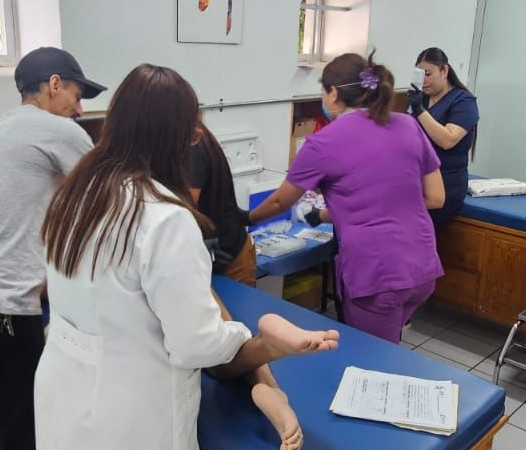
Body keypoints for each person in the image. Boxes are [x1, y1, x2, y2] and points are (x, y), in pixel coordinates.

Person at [34, 63, 340, 450]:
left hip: (63, 386)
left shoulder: (77, 191)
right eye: (192, 129)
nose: (197, 136)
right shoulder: (164, 217)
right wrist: (242, 335)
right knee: (223, 337)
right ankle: (265, 350)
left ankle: (266, 361)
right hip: (130, 411)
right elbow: (195, 345)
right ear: (177, 137)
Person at [0, 46, 106, 450]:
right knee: (26, 433)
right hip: (2, 312)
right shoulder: (58, 130)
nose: (80, 110)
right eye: (77, 96)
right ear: (54, 85)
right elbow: (109, 196)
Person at [249, 52, 447, 344]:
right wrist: (324, 214)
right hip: (421, 266)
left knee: (373, 357)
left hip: (378, 274)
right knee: (392, 345)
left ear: (333, 93)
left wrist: (246, 218)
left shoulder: (324, 142)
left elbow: (280, 202)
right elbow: (434, 197)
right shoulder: (408, 125)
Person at [407, 47, 480, 229]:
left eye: (428, 74)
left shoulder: (464, 101)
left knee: (404, 224)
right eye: (420, 75)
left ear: (444, 71)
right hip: (416, 181)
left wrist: (419, 111)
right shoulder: (421, 99)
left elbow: (448, 140)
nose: (423, 81)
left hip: (446, 186)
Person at [188, 125, 256, 285]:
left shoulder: (192, 146)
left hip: (226, 256)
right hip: (216, 249)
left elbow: (186, 210)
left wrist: (197, 247)